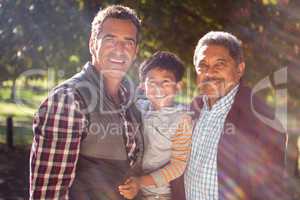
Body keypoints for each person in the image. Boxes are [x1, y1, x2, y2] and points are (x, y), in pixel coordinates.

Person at [29, 5, 144, 199]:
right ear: (92, 43)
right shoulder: (69, 100)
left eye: (128, 42)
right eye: (110, 39)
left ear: (136, 51)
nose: (120, 49)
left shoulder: (132, 102)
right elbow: (49, 195)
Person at [174, 31, 288, 200]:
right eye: (202, 65)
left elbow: (269, 187)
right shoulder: (192, 110)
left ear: (239, 69)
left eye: (220, 64)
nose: (210, 73)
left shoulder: (260, 117)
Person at [118, 51, 193, 200]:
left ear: (178, 87)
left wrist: (140, 182)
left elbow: (178, 165)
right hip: (130, 190)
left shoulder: (181, 120)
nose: (158, 88)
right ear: (142, 87)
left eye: (166, 82)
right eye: (152, 82)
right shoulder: (138, 108)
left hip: (159, 194)